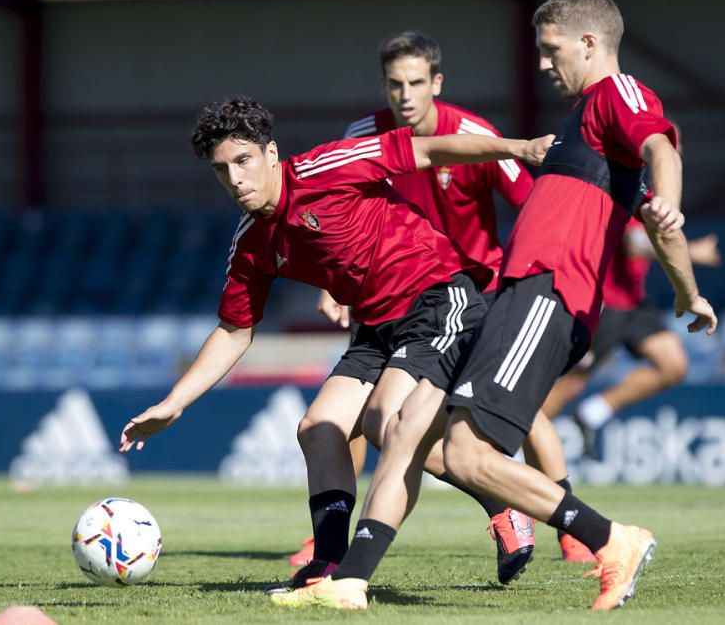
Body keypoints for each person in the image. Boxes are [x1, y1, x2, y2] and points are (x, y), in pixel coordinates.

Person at [273, 0, 717, 612]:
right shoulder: (583, 123)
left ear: (589, 44)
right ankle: (348, 580)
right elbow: (658, 223)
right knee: (402, 429)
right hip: (507, 292)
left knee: (469, 454)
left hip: (544, 289)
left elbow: (661, 149)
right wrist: (689, 293)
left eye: (550, 49)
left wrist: (671, 196)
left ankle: (611, 538)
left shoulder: (616, 94)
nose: (542, 62)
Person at [117, 97, 552, 592]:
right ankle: (328, 561)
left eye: (243, 161)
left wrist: (518, 148)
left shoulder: (327, 166)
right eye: (222, 170)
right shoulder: (252, 242)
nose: (235, 179)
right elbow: (235, 330)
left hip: (435, 295)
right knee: (317, 429)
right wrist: (174, 404)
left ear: (270, 153)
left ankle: (505, 503)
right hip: (375, 325)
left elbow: (430, 150)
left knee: (386, 421)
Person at [292, 30, 544, 581]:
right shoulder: (363, 135)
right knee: (338, 426)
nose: (403, 95)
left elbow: (530, 202)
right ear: (383, 85)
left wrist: (525, 282)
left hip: (462, 292)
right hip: (384, 301)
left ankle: (551, 517)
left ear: (436, 83)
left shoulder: (472, 134)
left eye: (414, 83)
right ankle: (329, 554)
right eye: (394, 84)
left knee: (404, 422)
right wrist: (332, 284)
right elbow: (342, 210)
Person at [536, 222, 721, 461]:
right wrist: (689, 251)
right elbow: (635, 245)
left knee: (673, 366)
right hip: (604, 303)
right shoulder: (625, 190)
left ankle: (592, 413)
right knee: (571, 384)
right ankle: (516, 446)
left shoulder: (649, 195)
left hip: (634, 301)